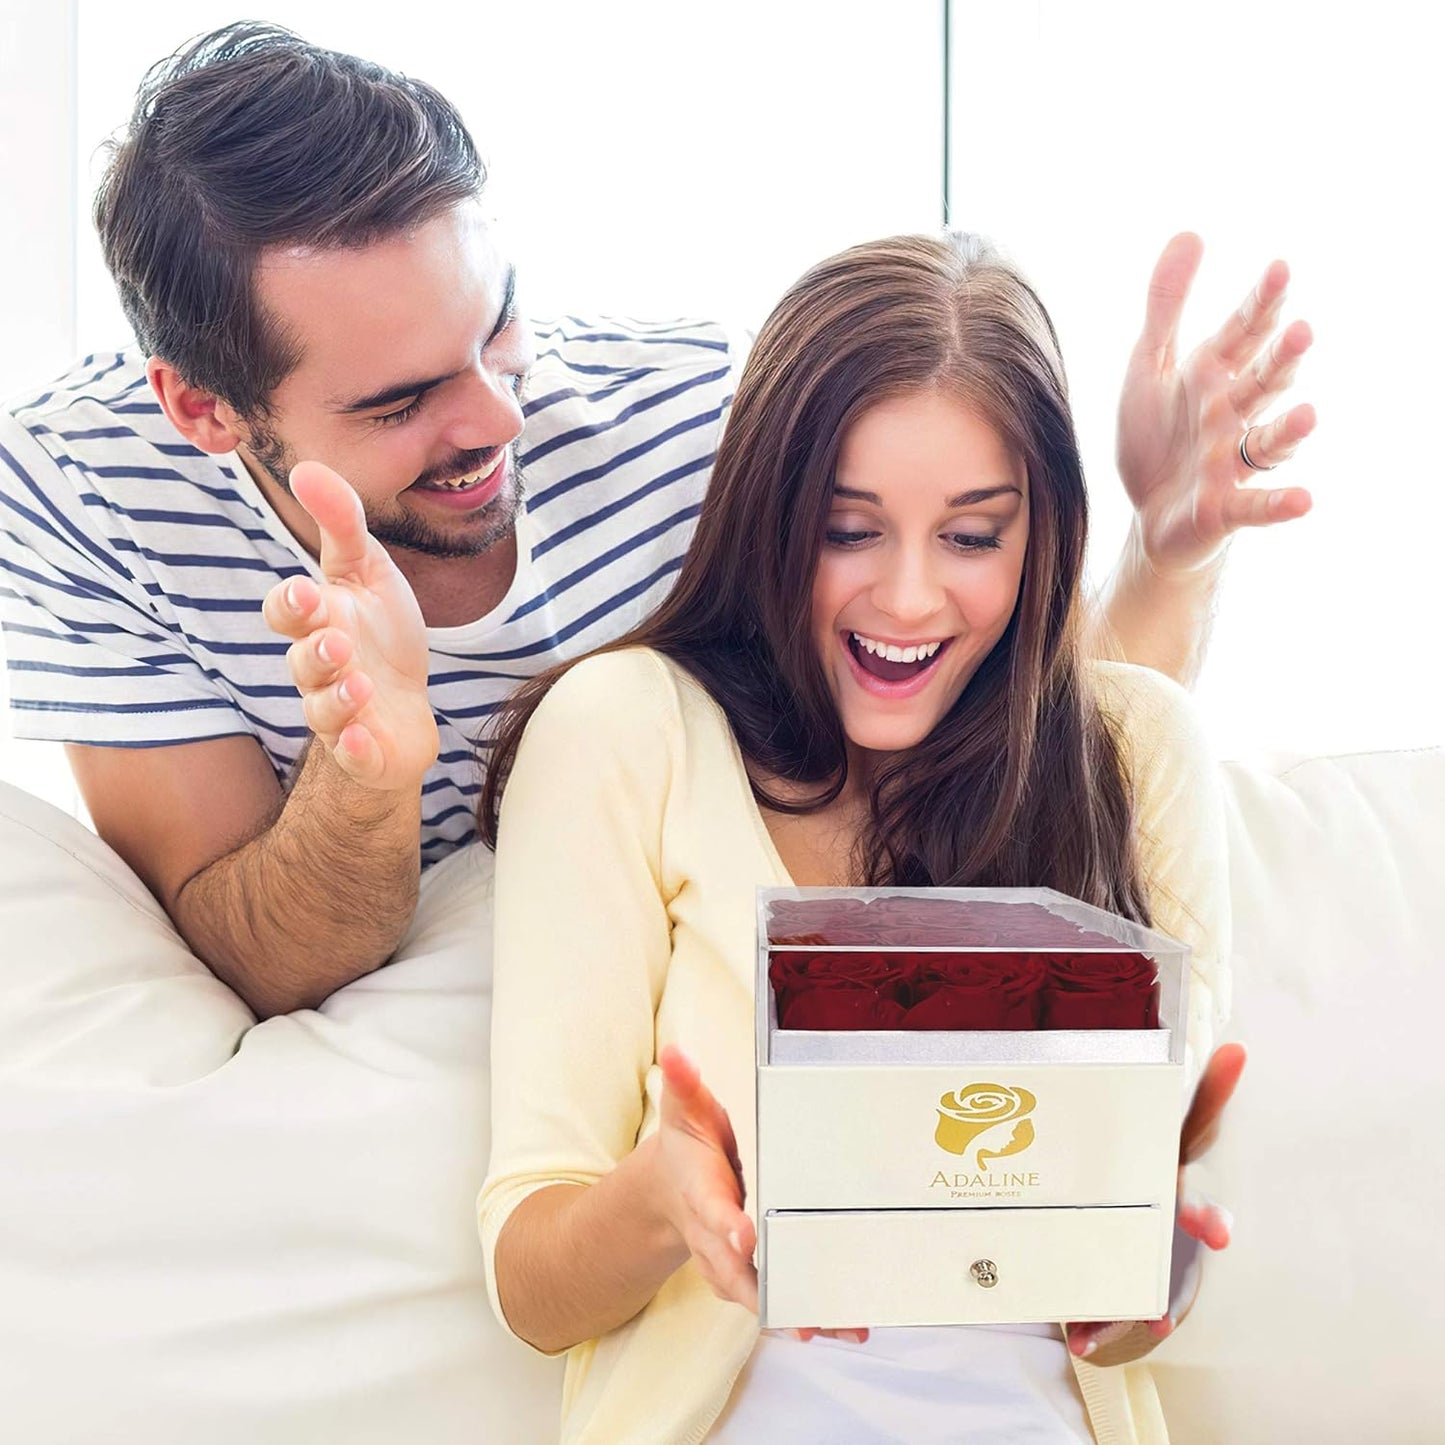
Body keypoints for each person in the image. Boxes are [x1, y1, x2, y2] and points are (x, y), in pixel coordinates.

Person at [0, 22, 1312, 1025]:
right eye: (403, 401)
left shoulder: (694, 411)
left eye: (498, 326)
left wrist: (1168, 545)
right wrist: (368, 766)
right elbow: (252, 953)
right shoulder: (83, 494)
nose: (495, 419)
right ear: (204, 408)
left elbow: (1028, 757)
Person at [472, 233, 1240, 1443]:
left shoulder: (1136, 747)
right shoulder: (629, 728)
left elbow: (1133, 1310)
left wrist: (1152, 1264)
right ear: (770, 513)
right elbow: (531, 1284)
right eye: (847, 528)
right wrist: (663, 1202)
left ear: (1040, 539)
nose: (907, 596)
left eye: (972, 535)